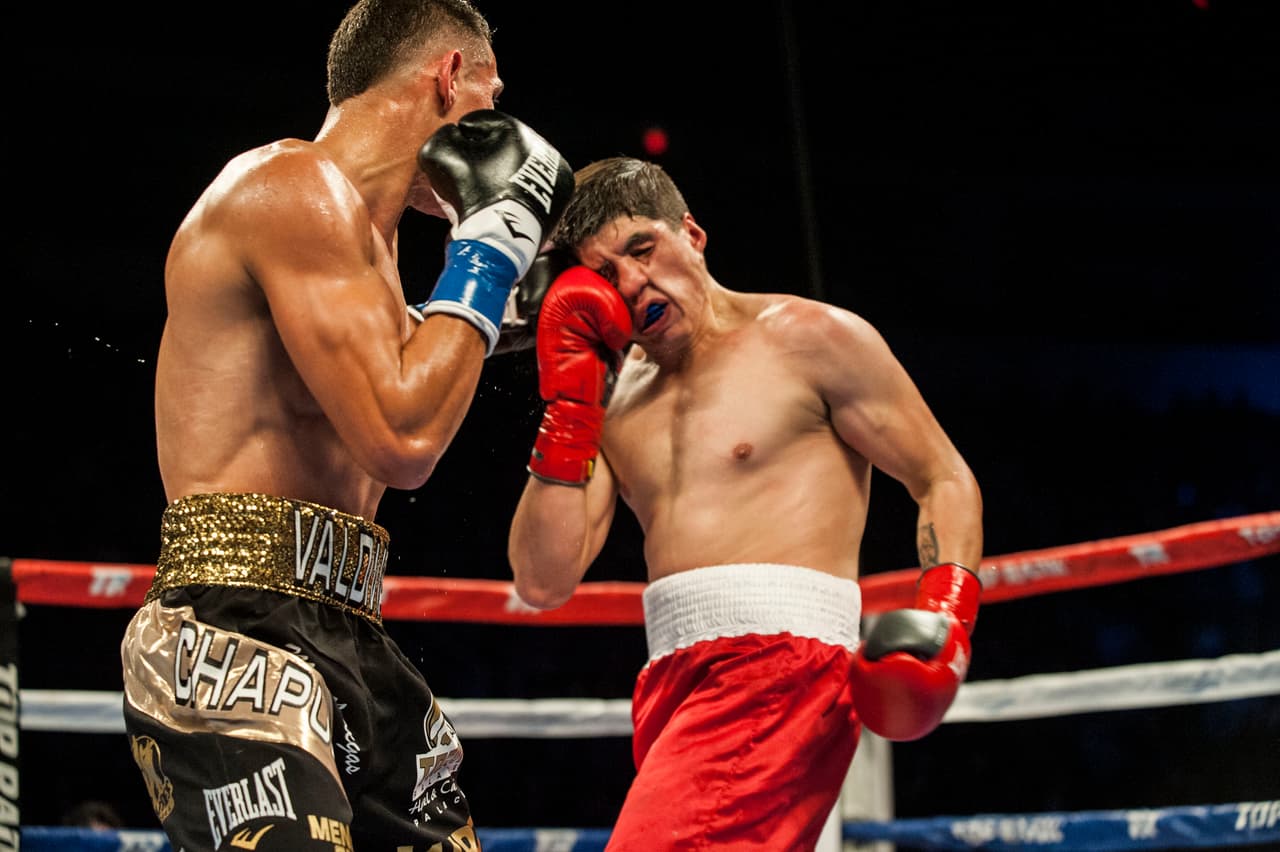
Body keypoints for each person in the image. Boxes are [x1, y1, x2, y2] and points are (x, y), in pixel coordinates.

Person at [119, 2, 572, 850]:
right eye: (492, 94)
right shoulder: (290, 187)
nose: (503, 125)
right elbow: (403, 440)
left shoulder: (373, 253)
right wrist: (493, 245)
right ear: (449, 78)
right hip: (233, 631)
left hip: (350, 628)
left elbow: (414, 378)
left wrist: (531, 313)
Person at [507, 157, 984, 849]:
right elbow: (542, 579)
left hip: (780, 665)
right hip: (670, 678)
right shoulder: (610, 396)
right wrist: (570, 404)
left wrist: (948, 616)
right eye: (606, 273)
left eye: (643, 248)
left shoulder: (810, 338)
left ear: (692, 235)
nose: (633, 282)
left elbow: (943, 477)